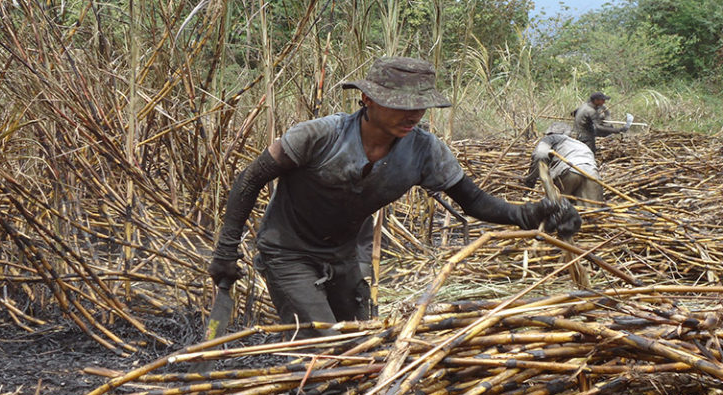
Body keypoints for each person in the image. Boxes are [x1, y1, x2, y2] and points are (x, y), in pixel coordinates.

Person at [209, 57, 581, 338]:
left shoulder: (424, 151)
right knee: (321, 343)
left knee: (360, 342)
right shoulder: (318, 136)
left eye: (420, 106)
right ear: (368, 99)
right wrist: (226, 252)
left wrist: (535, 214)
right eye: (403, 105)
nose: (414, 115)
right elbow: (250, 179)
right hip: (287, 251)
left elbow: (475, 202)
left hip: (344, 253)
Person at [524, 122, 603, 207]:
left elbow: (540, 155)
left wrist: (530, 183)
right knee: (591, 214)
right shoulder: (580, 144)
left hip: (569, 171)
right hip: (592, 174)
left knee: (557, 210)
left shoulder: (550, 139)